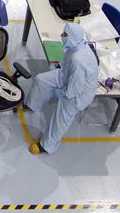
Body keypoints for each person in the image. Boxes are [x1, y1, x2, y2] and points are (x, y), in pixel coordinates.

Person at [27, 23, 99, 154]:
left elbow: (75, 88)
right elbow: (68, 64)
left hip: (77, 95)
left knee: (60, 119)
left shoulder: (79, 60)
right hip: (66, 76)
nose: (62, 36)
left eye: (65, 35)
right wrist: (59, 67)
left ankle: (47, 145)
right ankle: (32, 105)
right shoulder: (76, 45)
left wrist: (62, 93)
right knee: (41, 80)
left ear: (72, 37)